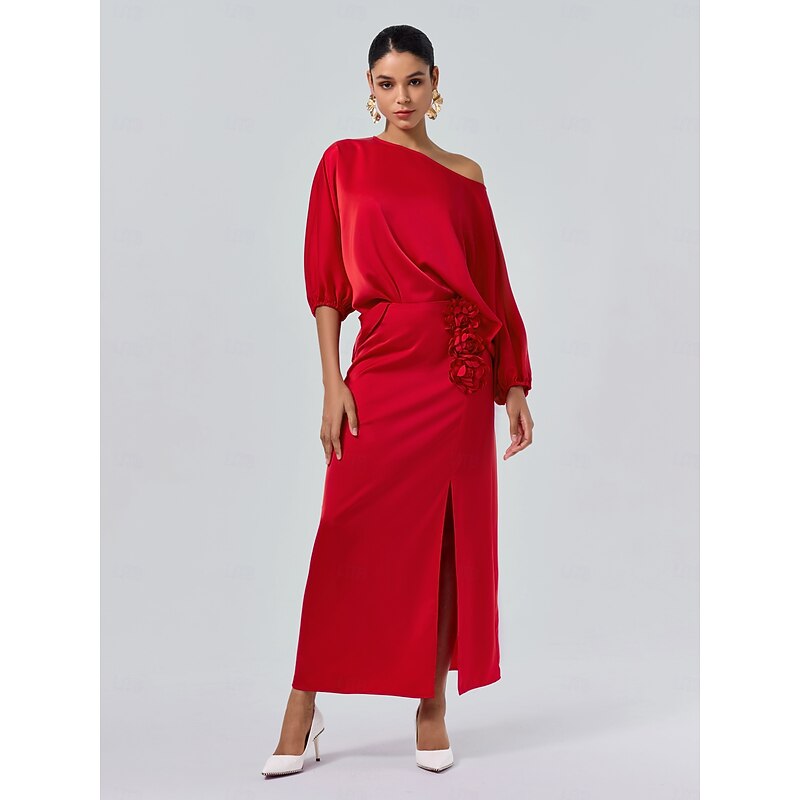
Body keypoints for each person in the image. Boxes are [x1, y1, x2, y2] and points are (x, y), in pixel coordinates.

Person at [263, 24, 534, 777]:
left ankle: (431, 704)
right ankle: (303, 705)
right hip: (380, 364)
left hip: (456, 374)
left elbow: (493, 283)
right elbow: (327, 285)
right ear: (370, 87)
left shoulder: (465, 174)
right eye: (387, 84)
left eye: (415, 81)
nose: (402, 97)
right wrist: (332, 383)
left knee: (444, 540)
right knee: (344, 532)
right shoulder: (343, 163)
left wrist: (512, 382)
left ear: (435, 83)